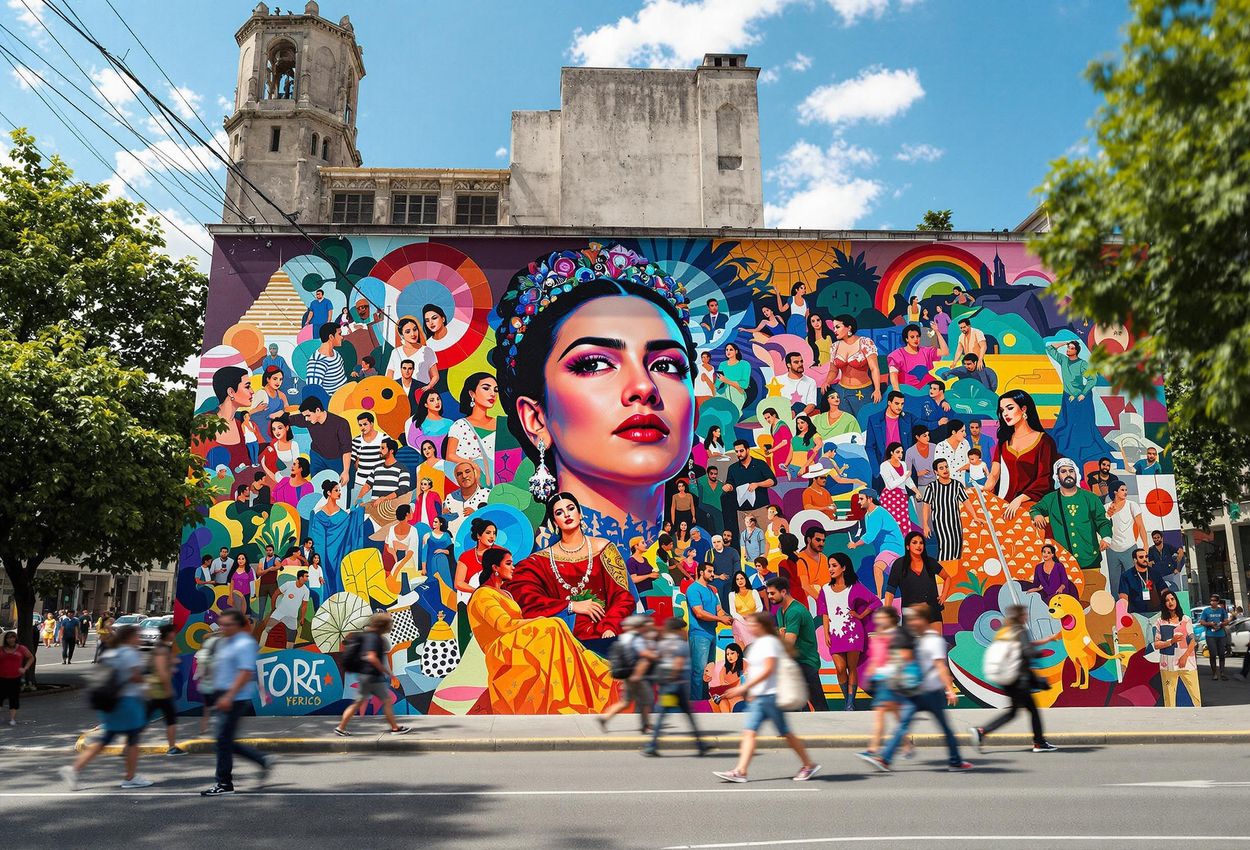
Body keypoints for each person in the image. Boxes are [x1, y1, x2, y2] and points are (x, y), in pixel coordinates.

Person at [858, 604, 972, 772]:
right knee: (917, 726)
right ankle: (954, 761)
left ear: (925, 620)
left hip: (924, 691)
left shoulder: (929, 640)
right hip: (922, 691)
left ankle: (885, 759)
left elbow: (940, 666)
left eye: (915, 618)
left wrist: (949, 688)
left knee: (909, 725)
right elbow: (926, 664)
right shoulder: (922, 639)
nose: (911, 622)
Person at [508, 492, 635, 641]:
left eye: (571, 508)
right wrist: (571, 606)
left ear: (580, 514)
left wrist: (610, 626)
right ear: (555, 522)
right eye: (559, 512)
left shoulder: (604, 548)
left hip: (605, 632)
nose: (567, 515)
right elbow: (527, 598)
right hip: (563, 637)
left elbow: (622, 596)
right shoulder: (541, 560)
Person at [713, 611, 821, 783]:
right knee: (750, 732)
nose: (749, 626)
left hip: (770, 697)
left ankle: (809, 764)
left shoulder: (770, 643)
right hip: (760, 698)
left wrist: (744, 688)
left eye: (753, 624)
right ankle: (741, 770)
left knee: (785, 734)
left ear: (761, 626)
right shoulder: (759, 644)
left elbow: (769, 669)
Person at [59, 625, 153, 790]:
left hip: (109, 702)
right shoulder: (130, 654)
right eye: (137, 636)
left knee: (106, 739)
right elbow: (136, 676)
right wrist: (147, 684)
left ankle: (74, 769)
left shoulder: (111, 652)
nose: (139, 639)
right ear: (129, 637)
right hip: (127, 702)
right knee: (133, 739)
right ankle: (130, 777)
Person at [200, 610, 274, 796]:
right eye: (222, 624)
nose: (223, 628)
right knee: (225, 740)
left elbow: (245, 672)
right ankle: (262, 760)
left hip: (235, 698)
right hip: (223, 695)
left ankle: (224, 784)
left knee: (223, 740)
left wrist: (228, 696)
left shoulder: (244, 643)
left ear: (239, 625)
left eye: (228, 625)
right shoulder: (225, 641)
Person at [968, 605, 1058, 754]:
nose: (1027, 617)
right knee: (1033, 711)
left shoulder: (1005, 632)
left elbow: (1022, 646)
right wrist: (1039, 655)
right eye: (1025, 614)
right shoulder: (1021, 631)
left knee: (1013, 713)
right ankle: (1039, 742)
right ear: (1020, 617)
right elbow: (1027, 650)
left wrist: (1046, 640)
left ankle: (981, 732)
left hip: (1006, 677)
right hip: (1019, 679)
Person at [1030, 457, 1111, 588]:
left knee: (1092, 595)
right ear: (1057, 476)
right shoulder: (1050, 499)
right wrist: (1036, 514)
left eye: (1071, 471)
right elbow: (1035, 508)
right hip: (1063, 562)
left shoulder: (1090, 497)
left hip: (1089, 557)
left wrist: (1106, 537)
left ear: (1076, 474)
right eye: (1063, 471)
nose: (1068, 474)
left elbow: (1102, 521)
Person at [817, 553, 879, 711]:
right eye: (829, 566)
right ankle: (847, 700)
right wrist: (826, 633)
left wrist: (860, 615)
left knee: (852, 668)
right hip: (834, 634)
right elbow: (825, 613)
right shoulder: (825, 589)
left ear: (844, 567)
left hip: (853, 633)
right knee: (839, 668)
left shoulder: (855, 586)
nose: (830, 569)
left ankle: (850, 704)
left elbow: (875, 601)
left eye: (834, 565)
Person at [984, 389, 1059, 520]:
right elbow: (994, 474)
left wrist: (1019, 500)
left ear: (1024, 409)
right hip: (1005, 502)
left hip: (1035, 504)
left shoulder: (1044, 441)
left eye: (1010, 408)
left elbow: (1045, 479)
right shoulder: (1003, 443)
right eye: (1002, 411)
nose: (1005, 414)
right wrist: (983, 494)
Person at [334, 613, 411, 737]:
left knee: (360, 702)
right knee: (386, 700)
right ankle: (395, 728)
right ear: (383, 625)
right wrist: (388, 673)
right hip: (372, 676)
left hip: (366, 675)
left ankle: (341, 727)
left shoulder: (369, 636)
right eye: (390, 624)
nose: (391, 626)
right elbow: (371, 657)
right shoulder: (374, 638)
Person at [644, 617, 709, 757]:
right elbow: (678, 665)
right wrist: (673, 680)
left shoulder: (663, 644)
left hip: (668, 686)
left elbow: (657, 658)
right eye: (683, 629)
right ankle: (700, 744)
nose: (684, 631)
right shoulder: (681, 645)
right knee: (687, 715)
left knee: (665, 715)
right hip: (676, 687)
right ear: (678, 630)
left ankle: (652, 745)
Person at [860, 606, 913, 760]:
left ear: (890, 619)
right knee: (895, 716)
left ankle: (873, 749)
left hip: (890, 681)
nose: (879, 619)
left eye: (882, 616)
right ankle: (907, 745)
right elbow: (875, 660)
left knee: (880, 715)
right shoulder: (878, 637)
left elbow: (902, 658)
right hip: (882, 681)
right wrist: (868, 676)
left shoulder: (896, 636)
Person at [766, 576, 826, 711]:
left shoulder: (795, 611)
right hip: (794, 664)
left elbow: (788, 643)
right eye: (768, 593)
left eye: (772, 593)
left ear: (783, 592)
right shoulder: (780, 612)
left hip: (805, 663)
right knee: (798, 708)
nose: (769, 596)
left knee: (820, 707)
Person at [600, 614, 657, 734]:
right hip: (637, 675)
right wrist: (656, 655)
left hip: (628, 675)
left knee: (625, 701)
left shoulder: (624, 638)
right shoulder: (637, 639)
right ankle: (646, 725)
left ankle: (604, 717)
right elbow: (644, 654)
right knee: (647, 699)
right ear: (638, 626)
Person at [686, 562, 732, 700]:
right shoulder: (693, 589)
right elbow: (699, 613)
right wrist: (720, 619)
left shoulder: (712, 590)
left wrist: (731, 618)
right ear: (701, 572)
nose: (713, 574)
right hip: (699, 634)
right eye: (710, 571)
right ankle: (697, 705)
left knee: (708, 673)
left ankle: (706, 702)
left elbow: (720, 610)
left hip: (712, 634)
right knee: (699, 672)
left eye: (713, 571)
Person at [847, 489, 905, 598]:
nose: (859, 502)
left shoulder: (878, 513)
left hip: (892, 547)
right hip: (884, 549)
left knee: (878, 566)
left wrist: (855, 544)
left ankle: (879, 596)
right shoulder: (868, 515)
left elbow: (870, 536)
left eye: (861, 499)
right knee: (897, 574)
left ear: (870, 499)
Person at [445, 372, 499, 485]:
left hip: (499, 480)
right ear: (472, 393)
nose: (492, 394)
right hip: (471, 480)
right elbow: (450, 455)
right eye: (486, 388)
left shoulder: (500, 424)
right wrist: (473, 464)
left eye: (495, 390)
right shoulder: (460, 425)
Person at [289, 396, 352, 484]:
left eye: (308, 415)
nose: (306, 418)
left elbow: (347, 449)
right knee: (316, 484)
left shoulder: (341, 423)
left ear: (318, 410)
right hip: (317, 456)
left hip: (336, 459)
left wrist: (345, 471)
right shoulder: (307, 419)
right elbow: (288, 419)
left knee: (339, 485)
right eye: (305, 416)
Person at [1154, 589, 1201, 706]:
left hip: (1187, 663)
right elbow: (1156, 644)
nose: (1170, 602)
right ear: (1163, 604)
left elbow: (1192, 640)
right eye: (1167, 600)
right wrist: (1171, 641)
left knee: (1195, 696)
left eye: (1172, 599)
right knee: (1169, 698)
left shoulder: (1186, 619)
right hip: (1168, 664)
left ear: (1176, 600)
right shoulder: (1160, 622)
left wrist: (1184, 657)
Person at [828, 314, 882, 417]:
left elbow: (874, 368)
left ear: (849, 327)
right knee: (846, 425)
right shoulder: (834, 347)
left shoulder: (865, 342)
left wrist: (877, 389)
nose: (835, 330)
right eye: (834, 327)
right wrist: (827, 381)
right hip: (841, 392)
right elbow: (833, 371)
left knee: (864, 423)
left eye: (838, 327)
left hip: (863, 391)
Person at [146, 623, 186, 756]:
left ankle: (130, 742)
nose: (175, 634)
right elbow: (162, 671)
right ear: (168, 633)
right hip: (160, 690)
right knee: (170, 719)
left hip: (158, 690)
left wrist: (173, 662)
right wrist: (168, 689)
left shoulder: (163, 648)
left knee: (147, 718)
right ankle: (172, 747)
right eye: (173, 632)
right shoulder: (162, 649)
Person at [884, 532, 949, 613]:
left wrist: (944, 595)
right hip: (911, 614)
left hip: (932, 611)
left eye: (921, 543)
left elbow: (947, 577)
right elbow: (890, 590)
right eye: (914, 542)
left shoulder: (930, 562)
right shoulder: (899, 564)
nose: (918, 545)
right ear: (907, 546)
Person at [724, 439, 776, 531]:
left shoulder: (760, 464)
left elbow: (772, 481)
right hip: (743, 511)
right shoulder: (732, 468)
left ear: (748, 450)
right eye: (736, 451)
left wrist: (758, 484)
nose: (739, 454)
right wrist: (728, 487)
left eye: (741, 451)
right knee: (747, 541)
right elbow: (730, 483)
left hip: (761, 508)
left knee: (767, 538)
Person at [865, 391, 916, 486]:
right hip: (882, 467)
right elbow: (869, 447)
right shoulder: (874, 419)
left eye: (902, 404)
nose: (900, 407)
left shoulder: (907, 418)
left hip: (902, 467)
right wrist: (877, 471)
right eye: (897, 403)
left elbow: (923, 423)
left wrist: (938, 423)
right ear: (889, 402)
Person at [1105, 481, 1147, 593]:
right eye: (1122, 490)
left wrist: (1146, 546)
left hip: (1129, 548)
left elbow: (1141, 526)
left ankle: (1136, 606)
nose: (1125, 492)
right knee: (1115, 583)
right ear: (1115, 492)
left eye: (1126, 490)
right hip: (1112, 550)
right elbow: (1103, 528)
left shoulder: (1132, 505)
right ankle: (1119, 608)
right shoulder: (1106, 508)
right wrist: (1108, 515)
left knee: (1133, 580)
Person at [259, 570, 311, 650]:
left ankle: (289, 653)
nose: (307, 578)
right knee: (267, 630)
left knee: (292, 636)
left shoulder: (306, 591)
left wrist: (302, 618)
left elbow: (304, 605)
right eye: (306, 576)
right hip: (280, 612)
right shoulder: (288, 584)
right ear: (300, 577)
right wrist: (273, 608)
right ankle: (259, 648)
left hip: (292, 616)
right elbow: (275, 594)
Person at [887, 324, 946, 391]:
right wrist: (897, 390)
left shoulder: (926, 351)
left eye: (917, 336)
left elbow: (944, 352)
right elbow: (893, 374)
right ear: (906, 339)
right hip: (907, 390)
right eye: (912, 337)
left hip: (926, 387)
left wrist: (937, 332)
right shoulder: (897, 354)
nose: (916, 339)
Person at [385, 315, 438, 389]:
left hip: (420, 392)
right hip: (399, 392)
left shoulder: (427, 351)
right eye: (408, 332)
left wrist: (428, 387)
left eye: (415, 329)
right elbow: (389, 375)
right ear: (402, 335)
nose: (413, 334)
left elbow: (435, 376)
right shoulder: (395, 352)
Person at [880, 442, 918, 534]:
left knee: (904, 521)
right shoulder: (884, 465)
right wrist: (904, 476)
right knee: (892, 522)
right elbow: (890, 485)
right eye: (898, 452)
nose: (900, 454)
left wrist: (916, 491)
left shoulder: (903, 464)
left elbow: (908, 481)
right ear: (891, 452)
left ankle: (904, 543)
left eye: (901, 452)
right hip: (890, 497)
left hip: (902, 497)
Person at [350, 412, 390, 500]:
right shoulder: (356, 441)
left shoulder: (384, 438)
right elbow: (352, 461)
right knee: (357, 510)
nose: (362, 427)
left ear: (372, 424)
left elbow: (389, 458)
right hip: (360, 482)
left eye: (365, 424)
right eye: (360, 425)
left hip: (379, 483)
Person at [1118, 548, 1166, 617]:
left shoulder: (1155, 573)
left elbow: (1164, 591)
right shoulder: (1126, 576)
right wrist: (1125, 614)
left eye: (1146, 557)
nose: (1145, 559)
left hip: (1157, 612)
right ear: (1135, 560)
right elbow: (1123, 596)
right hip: (1136, 614)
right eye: (1141, 557)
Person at [442, 460, 491, 527]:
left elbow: (494, 521)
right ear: (456, 478)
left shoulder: (488, 495)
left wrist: (475, 515)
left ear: (475, 473)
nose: (464, 476)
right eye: (459, 474)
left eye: (467, 472)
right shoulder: (450, 498)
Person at [0, 630, 33, 726]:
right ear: (5, 639)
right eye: (8, 638)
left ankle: (12, 719)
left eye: (12, 637)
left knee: (13, 698)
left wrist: (25, 668)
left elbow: (31, 657)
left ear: (15, 638)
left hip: (15, 677)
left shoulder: (21, 649)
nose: (10, 639)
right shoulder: (1, 649)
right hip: (1, 677)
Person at [306, 322, 348, 395]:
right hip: (333, 401)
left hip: (346, 394)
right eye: (339, 334)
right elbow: (312, 392)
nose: (342, 337)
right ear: (331, 337)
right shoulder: (317, 363)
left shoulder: (336, 353)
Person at [1199, 594, 1231, 681]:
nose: (1212, 602)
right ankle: (1214, 673)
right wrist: (1210, 624)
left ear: (1217, 602)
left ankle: (1222, 673)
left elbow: (1226, 621)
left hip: (1221, 635)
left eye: (1214, 600)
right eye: (1211, 600)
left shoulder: (1221, 610)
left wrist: (1221, 624)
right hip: (1210, 635)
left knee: (1221, 654)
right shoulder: (1206, 611)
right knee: (1212, 654)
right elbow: (1201, 621)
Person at [729, 570, 765, 646]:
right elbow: (733, 612)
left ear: (745, 579)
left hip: (753, 620)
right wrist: (743, 620)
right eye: (737, 579)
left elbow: (760, 607)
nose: (740, 581)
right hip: (740, 622)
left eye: (741, 578)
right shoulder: (732, 595)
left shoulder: (754, 592)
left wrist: (752, 618)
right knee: (737, 624)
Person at [777, 352, 818, 417]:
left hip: (800, 417)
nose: (800, 364)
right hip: (781, 415)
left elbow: (812, 404)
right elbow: (771, 401)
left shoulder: (811, 381)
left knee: (798, 405)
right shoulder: (778, 380)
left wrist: (802, 414)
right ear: (788, 365)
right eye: (796, 362)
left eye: (801, 361)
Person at [716, 342, 751, 410]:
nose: (728, 351)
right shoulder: (722, 365)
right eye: (726, 350)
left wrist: (726, 381)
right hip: (724, 392)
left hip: (738, 393)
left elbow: (744, 384)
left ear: (736, 351)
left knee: (732, 390)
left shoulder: (744, 364)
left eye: (731, 349)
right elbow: (718, 383)